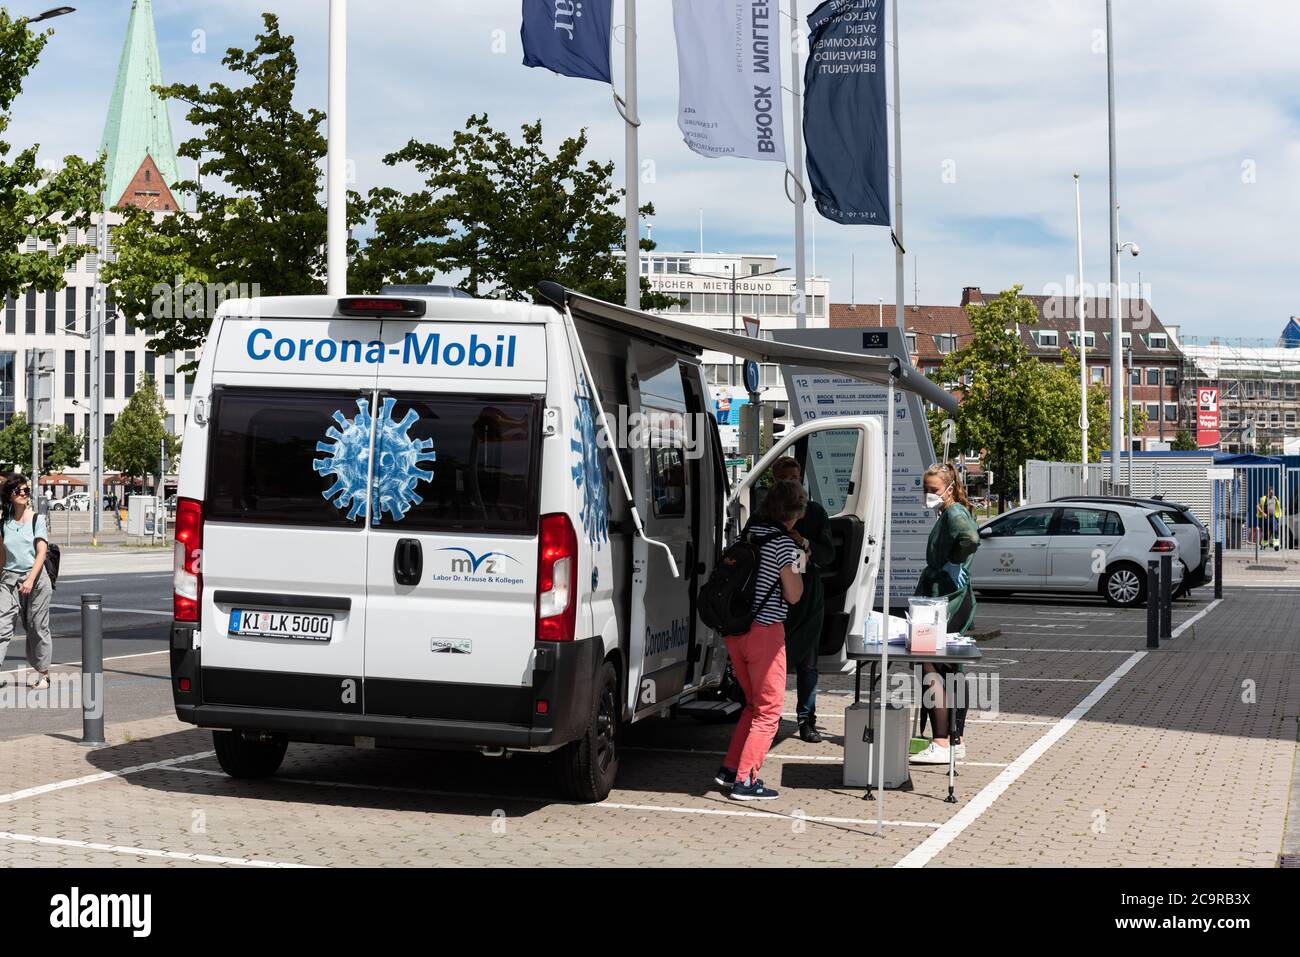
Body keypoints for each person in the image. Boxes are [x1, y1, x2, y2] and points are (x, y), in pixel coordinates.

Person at [716, 479, 807, 801]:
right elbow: (794, 594)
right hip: (765, 633)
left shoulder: (749, 535)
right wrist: (801, 561)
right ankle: (746, 780)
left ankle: (730, 768)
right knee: (769, 710)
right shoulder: (783, 544)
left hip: (735, 632)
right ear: (795, 514)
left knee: (753, 705)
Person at [910, 463, 980, 766]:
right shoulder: (950, 511)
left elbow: (970, 539)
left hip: (945, 599)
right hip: (947, 598)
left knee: (931, 664)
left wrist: (954, 562)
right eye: (925, 489)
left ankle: (941, 740)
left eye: (933, 490)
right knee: (951, 667)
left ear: (950, 488)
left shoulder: (953, 513)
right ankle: (955, 738)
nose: (929, 495)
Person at [771, 456, 834, 743]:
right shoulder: (766, 513)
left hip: (808, 595)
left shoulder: (816, 513)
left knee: (808, 663)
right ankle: (768, 718)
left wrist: (805, 543)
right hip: (773, 597)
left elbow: (828, 553)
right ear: (775, 482)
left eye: (795, 479)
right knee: (772, 663)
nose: (792, 484)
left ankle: (807, 720)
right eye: (785, 479)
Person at [0, 474, 53, 691]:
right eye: (18, 491)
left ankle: (43, 674)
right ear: (9, 496)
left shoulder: (36, 519)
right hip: (9, 580)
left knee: (36, 627)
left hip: (37, 580)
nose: (23, 494)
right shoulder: (3, 523)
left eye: (26, 490)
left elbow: (42, 552)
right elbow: (1, 556)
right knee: (1, 626)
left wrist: (30, 578)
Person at [1257, 486, 1282, 551]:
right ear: (1268, 492)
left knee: (1275, 530)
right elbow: (1258, 506)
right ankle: (1264, 545)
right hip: (1266, 517)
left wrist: (1279, 515)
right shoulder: (1264, 499)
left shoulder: (1275, 498)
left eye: (1272, 493)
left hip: (1273, 517)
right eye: (1271, 493)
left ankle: (1276, 545)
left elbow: (1278, 507)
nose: (1272, 494)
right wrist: (1263, 513)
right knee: (1266, 532)